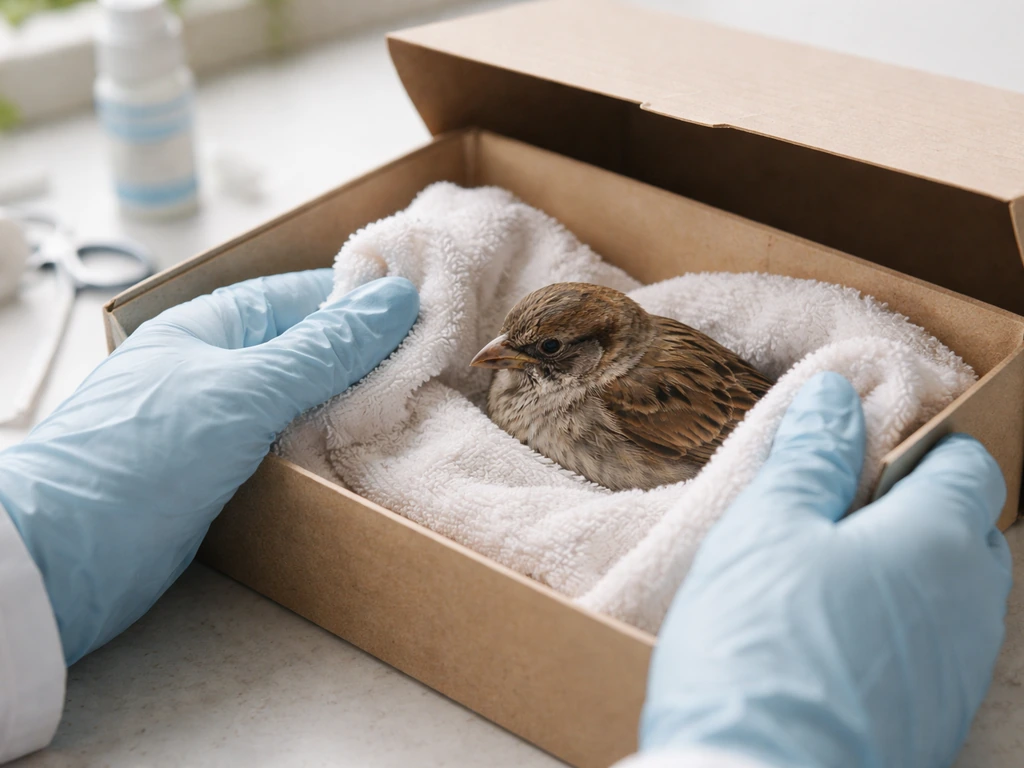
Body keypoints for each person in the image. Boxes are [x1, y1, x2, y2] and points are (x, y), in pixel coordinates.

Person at [0, 270, 1010, 767]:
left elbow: (729, 447)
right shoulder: (538, 362)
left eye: (547, 357)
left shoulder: (630, 391)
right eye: (512, 349)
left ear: (602, 351)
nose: (503, 365)